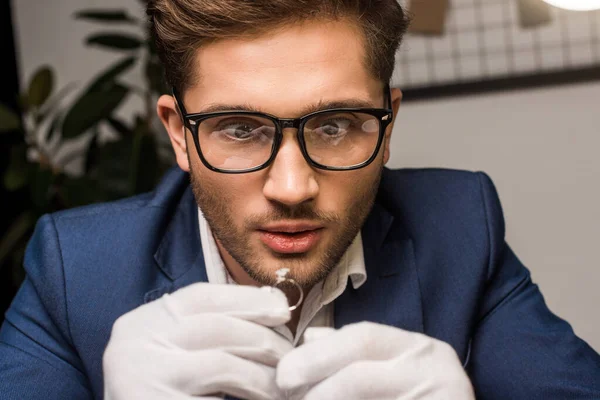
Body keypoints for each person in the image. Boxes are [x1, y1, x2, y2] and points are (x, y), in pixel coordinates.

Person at [1, 0, 599, 399]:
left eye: (336, 125)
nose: (292, 188)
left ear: (387, 126)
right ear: (179, 133)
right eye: (239, 128)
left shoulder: (461, 226)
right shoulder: (75, 271)